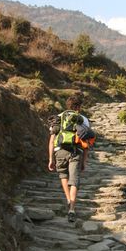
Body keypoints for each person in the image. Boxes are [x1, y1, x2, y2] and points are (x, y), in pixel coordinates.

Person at [48, 94, 90, 223]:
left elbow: (51, 140)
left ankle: (68, 199)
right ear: (78, 107)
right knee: (74, 179)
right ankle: (72, 209)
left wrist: (51, 159)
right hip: (75, 151)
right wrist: (84, 161)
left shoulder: (58, 118)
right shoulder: (82, 119)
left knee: (63, 176)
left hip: (59, 151)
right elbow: (86, 142)